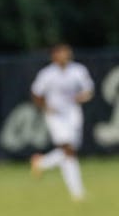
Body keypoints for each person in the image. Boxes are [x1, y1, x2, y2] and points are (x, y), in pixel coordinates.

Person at [29, 43, 94, 201]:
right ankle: (77, 193)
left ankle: (42, 162)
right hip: (56, 116)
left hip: (73, 113)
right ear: (54, 55)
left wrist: (81, 97)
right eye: (62, 52)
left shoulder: (78, 70)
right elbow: (36, 93)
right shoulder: (47, 74)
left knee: (70, 153)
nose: (66, 55)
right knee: (68, 150)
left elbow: (88, 90)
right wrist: (45, 107)